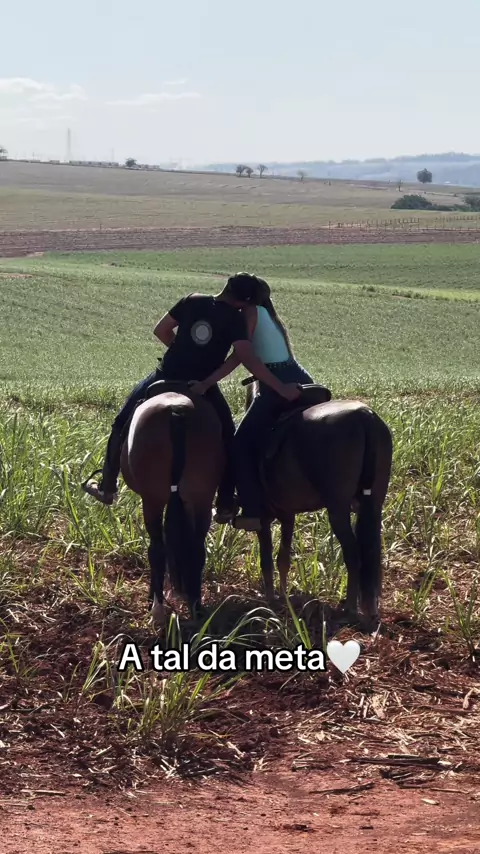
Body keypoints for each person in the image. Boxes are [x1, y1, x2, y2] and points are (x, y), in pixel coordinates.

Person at [81, 273, 301, 519]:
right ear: (243, 301)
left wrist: (183, 350)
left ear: (226, 287)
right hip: (201, 385)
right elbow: (243, 355)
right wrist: (208, 379)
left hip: (165, 375)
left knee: (121, 423)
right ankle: (225, 502)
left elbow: (161, 330)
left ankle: (107, 486)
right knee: (229, 436)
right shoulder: (236, 318)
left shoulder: (192, 300)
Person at [203, 277, 313, 531]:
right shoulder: (268, 314)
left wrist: (208, 380)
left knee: (240, 445)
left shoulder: (249, 313)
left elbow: (240, 356)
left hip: (276, 382)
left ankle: (251, 509)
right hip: (301, 377)